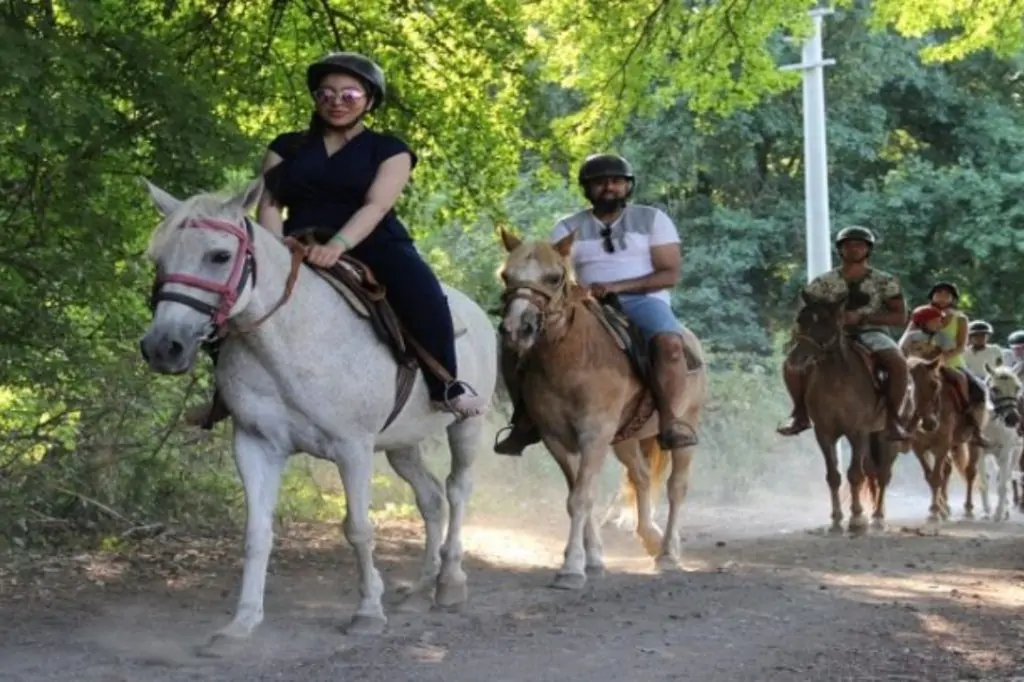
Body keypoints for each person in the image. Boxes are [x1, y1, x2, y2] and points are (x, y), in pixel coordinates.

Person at [184, 52, 486, 428]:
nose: (336, 102)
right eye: (325, 94)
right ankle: (226, 394)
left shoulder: (390, 150)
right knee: (228, 294)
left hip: (374, 240)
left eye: (349, 95)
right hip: (297, 241)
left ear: (369, 101)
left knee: (423, 292)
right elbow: (271, 204)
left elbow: (376, 206)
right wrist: (275, 253)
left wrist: (338, 246)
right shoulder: (286, 147)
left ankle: (447, 384)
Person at [494, 153, 700, 456]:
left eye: (617, 182)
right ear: (587, 189)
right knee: (514, 341)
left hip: (645, 300)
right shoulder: (567, 227)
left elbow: (669, 273)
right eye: (600, 183)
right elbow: (557, 273)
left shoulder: (653, 219)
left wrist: (617, 287)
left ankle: (670, 420)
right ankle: (524, 419)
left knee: (669, 344)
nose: (609, 187)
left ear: (628, 187)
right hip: (585, 302)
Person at [777, 225, 909, 441]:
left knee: (898, 362)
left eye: (859, 245)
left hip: (871, 332)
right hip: (827, 335)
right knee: (791, 363)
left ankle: (893, 418)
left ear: (868, 250)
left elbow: (900, 316)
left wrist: (863, 318)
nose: (854, 249)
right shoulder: (824, 282)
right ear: (841, 250)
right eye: (848, 245)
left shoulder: (885, 281)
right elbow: (805, 311)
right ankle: (799, 413)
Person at [899, 282, 988, 446]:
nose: (942, 297)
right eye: (938, 293)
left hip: (951, 363)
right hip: (919, 365)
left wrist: (941, 359)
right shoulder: (922, 314)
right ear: (931, 296)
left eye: (947, 294)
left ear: (953, 298)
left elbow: (961, 346)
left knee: (978, 389)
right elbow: (905, 339)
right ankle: (891, 422)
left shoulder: (960, 318)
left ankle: (974, 427)